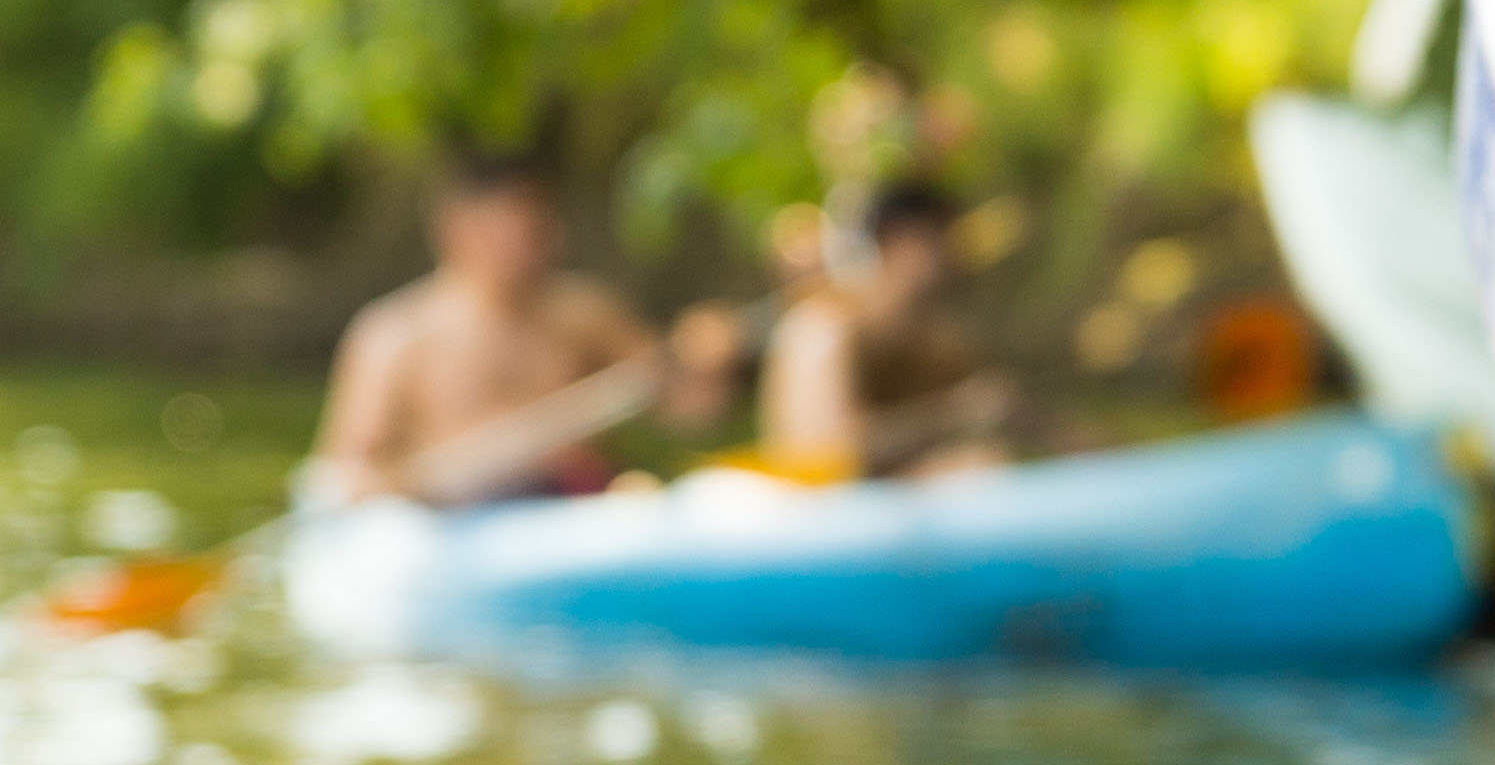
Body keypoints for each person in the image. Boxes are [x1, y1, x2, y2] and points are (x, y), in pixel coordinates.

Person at [314, 149, 717, 503]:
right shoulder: (395, 333)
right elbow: (349, 470)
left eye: (545, 219)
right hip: (459, 515)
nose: (549, 235)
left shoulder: (586, 315)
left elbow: (689, 407)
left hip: (572, 504)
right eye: (524, 221)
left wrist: (706, 360)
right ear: (461, 227)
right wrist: (408, 484)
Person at [757, 179, 1017, 481]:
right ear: (902, 241)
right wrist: (951, 415)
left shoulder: (934, 339)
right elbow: (820, 453)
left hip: (879, 504)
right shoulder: (820, 327)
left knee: (980, 464)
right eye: (945, 240)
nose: (959, 258)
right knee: (975, 469)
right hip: (817, 512)